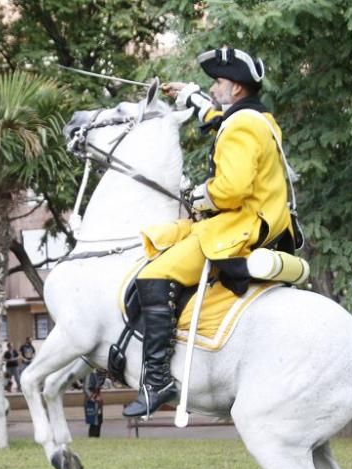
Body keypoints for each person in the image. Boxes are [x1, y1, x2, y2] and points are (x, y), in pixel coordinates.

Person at [123, 46, 298, 418]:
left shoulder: (242, 125)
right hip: (262, 221)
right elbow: (222, 119)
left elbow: (231, 189)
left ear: (236, 88)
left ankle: (155, 381)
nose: (215, 87)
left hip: (239, 225)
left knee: (154, 271)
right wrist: (193, 98)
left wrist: (201, 195)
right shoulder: (257, 119)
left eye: (218, 82)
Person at [83, 369, 105, 438]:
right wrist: (94, 398)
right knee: (94, 422)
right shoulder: (90, 373)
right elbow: (86, 388)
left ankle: (96, 438)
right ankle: (92, 438)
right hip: (91, 401)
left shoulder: (97, 373)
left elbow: (99, 384)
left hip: (97, 401)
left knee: (99, 421)